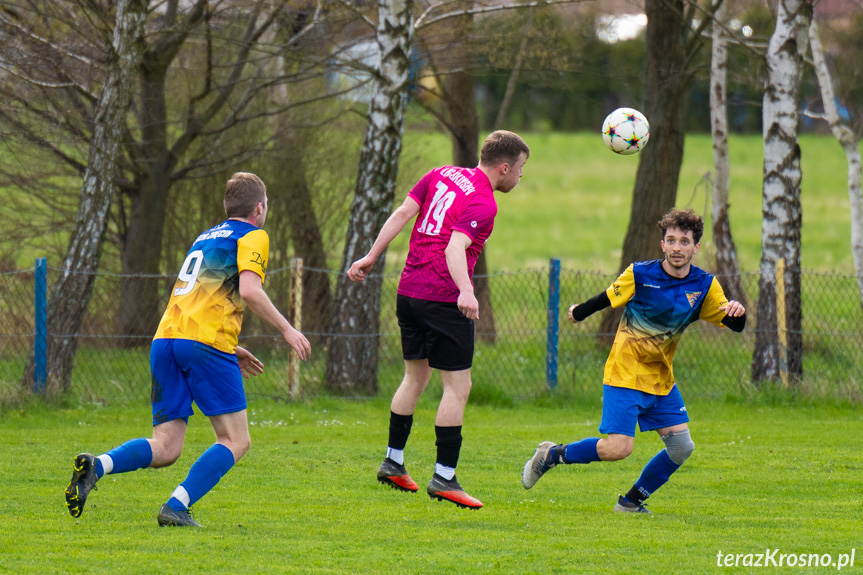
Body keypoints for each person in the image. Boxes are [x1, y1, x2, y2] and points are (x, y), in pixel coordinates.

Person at [64, 172, 311, 527]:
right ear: (259, 207)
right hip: (204, 344)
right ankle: (176, 506)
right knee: (236, 440)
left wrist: (233, 345)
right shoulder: (254, 235)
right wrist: (287, 329)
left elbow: (201, 297)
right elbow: (251, 291)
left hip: (166, 340)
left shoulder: (205, 237)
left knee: (166, 447)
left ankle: (97, 466)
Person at [347, 130, 530, 510]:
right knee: (457, 388)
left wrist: (370, 256)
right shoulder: (484, 202)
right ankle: (445, 477)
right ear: (505, 167)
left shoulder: (441, 173)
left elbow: (401, 214)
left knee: (414, 377)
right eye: (522, 169)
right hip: (442, 298)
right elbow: (455, 247)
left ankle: (393, 462)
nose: (521, 177)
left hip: (408, 292)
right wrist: (465, 290)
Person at [521, 208, 746, 513]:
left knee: (681, 447)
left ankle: (630, 502)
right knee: (618, 449)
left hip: (661, 378)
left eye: (684, 241)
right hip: (625, 373)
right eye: (671, 240)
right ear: (662, 244)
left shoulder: (704, 285)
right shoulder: (640, 274)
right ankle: (551, 455)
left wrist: (737, 313)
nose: (677, 247)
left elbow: (734, 325)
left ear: (696, 247)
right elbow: (607, 297)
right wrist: (579, 312)